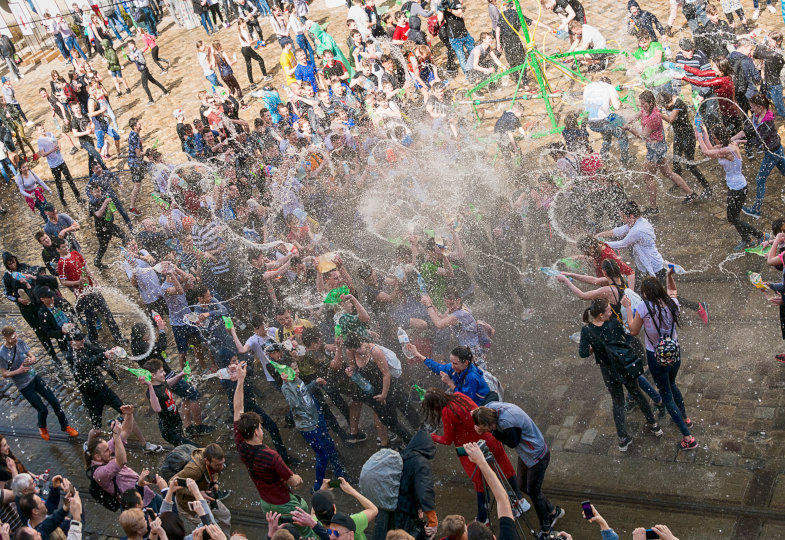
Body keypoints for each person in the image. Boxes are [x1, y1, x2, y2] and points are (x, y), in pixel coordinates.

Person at [421, 390, 526, 525]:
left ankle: (484, 517)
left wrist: (432, 437)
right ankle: (519, 500)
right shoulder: (459, 396)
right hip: (489, 438)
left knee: (480, 481)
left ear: (435, 406)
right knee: (505, 466)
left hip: (472, 448)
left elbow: (447, 440)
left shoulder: (447, 412)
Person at [232, 362, 312, 536]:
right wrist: (298, 478)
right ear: (255, 432)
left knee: (279, 534)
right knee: (305, 531)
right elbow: (293, 482)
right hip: (284, 504)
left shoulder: (241, 442)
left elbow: (238, 407)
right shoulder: (271, 456)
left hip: (266, 504)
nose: (262, 429)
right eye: (260, 427)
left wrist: (240, 380)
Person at [597, 201, 709, 325]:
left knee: (666, 296)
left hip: (654, 268)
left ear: (631, 216)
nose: (622, 219)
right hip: (642, 266)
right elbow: (618, 231)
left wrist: (601, 244)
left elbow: (622, 243)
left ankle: (698, 307)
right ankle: (643, 317)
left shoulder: (638, 229)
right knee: (638, 293)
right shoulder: (635, 223)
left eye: (623, 216)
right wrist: (599, 236)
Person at [623, 274, 698, 450]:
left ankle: (688, 437)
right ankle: (685, 417)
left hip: (656, 356)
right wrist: (670, 276)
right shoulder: (673, 303)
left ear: (646, 293)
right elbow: (673, 290)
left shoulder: (644, 307)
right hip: (674, 352)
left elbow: (633, 330)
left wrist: (627, 308)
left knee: (666, 394)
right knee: (672, 383)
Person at [577, 298, 663, 451]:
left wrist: (593, 347)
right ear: (602, 315)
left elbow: (583, 353)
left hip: (608, 371)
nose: (612, 312)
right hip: (624, 367)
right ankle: (653, 424)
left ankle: (623, 438)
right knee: (637, 394)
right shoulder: (614, 324)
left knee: (617, 402)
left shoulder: (587, 331)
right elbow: (626, 337)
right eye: (609, 310)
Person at [472, 402, 564, 537]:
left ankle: (546, 526)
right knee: (522, 486)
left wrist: (491, 432)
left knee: (533, 491)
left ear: (490, 424)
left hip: (537, 455)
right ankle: (552, 510)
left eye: (485, 428)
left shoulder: (507, 423)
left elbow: (512, 442)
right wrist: (475, 415)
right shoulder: (490, 408)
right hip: (526, 454)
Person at [279, 356, 347, 492]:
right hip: (308, 427)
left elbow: (305, 392)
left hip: (317, 418)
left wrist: (314, 383)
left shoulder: (297, 379)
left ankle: (342, 476)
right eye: (293, 370)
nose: (297, 371)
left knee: (330, 446)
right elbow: (296, 403)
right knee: (322, 455)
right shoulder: (286, 387)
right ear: (285, 374)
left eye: (297, 368)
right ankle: (317, 487)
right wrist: (289, 383)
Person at [0, 326, 77, 441]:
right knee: (42, 409)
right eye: (12, 338)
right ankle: (42, 427)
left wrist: (32, 359)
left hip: (35, 377)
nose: (15, 339)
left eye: (15, 336)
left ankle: (65, 426)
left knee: (55, 402)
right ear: (5, 338)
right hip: (24, 386)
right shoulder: (2, 353)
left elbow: (31, 355)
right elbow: (4, 373)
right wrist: (18, 371)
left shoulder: (20, 342)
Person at [623, 90, 696, 210]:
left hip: (655, 149)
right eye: (641, 104)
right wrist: (628, 121)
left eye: (644, 104)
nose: (642, 106)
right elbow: (638, 114)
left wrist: (629, 128)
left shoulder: (654, 117)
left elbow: (643, 135)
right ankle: (690, 193)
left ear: (651, 102)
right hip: (658, 147)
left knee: (648, 177)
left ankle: (653, 208)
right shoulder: (647, 110)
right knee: (668, 173)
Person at [695, 124, 764, 249]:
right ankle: (747, 239)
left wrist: (699, 137)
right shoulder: (724, 146)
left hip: (738, 188)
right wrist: (703, 132)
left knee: (732, 217)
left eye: (713, 136)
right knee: (734, 217)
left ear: (717, 137)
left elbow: (707, 152)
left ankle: (760, 235)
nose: (712, 138)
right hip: (735, 187)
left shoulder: (729, 149)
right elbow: (710, 149)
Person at [54, 237, 125, 344]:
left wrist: (94, 279)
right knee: (90, 318)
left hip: (92, 289)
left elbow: (85, 267)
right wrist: (77, 282)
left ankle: (118, 337)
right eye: (63, 247)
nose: (66, 248)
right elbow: (63, 282)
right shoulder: (61, 263)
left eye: (66, 245)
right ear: (58, 250)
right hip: (82, 294)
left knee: (107, 313)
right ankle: (94, 340)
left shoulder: (75, 253)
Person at [66, 331, 125, 429]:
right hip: (90, 393)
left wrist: (109, 350)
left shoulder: (84, 345)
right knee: (97, 428)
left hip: (101, 386)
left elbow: (96, 350)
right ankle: (89, 442)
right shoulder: (71, 356)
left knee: (124, 410)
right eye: (80, 340)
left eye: (83, 339)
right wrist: (104, 355)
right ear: (72, 342)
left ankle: (120, 425)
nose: (83, 341)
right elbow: (88, 362)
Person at [659, 91, 711, 200]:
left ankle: (707, 187)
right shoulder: (670, 103)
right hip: (678, 136)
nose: (665, 108)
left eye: (665, 106)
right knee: (676, 160)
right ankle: (678, 182)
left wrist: (658, 114)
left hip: (688, 136)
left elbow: (671, 119)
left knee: (690, 165)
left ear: (668, 101)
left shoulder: (678, 104)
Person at [739, 94, 785, 219]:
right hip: (777, 151)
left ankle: (756, 209)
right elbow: (747, 129)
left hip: (772, 153)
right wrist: (733, 137)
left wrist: (739, 142)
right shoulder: (756, 115)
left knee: (760, 179)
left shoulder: (768, 121)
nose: (751, 109)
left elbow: (758, 141)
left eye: (753, 107)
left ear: (760, 106)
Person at [173, 443, 232, 533]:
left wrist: (215, 482)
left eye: (222, 464)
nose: (221, 467)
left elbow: (215, 471)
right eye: (217, 465)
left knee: (225, 515)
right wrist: (198, 492)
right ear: (207, 461)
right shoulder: (193, 470)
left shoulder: (212, 454)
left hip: (206, 494)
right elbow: (173, 483)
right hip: (189, 503)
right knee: (207, 529)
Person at [583, 76, 630, 165]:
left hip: (591, 123)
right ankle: (625, 160)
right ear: (609, 83)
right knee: (622, 134)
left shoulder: (588, 87)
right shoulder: (609, 87)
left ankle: (604, 158)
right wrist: (620, 104)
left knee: (607, 135)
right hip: (603, 121)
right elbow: (616, 106)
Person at [36, 126, 83, 206]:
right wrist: (52, 150)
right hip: (53, 165)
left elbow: (56, 142)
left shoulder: (50, 134)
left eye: (43, 128)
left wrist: (59, 146)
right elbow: (43, 154)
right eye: (41, 129)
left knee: (70, 180)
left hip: (61, 161)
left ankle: (78, 197)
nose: (43, 130)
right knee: (59, 183)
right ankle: (62, 199)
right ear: (38, 132)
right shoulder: (40, 141)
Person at [125, 40, 169, 104]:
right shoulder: (132, 52)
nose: (129, 47)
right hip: (143, 70)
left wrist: (136, 59)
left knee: (145, 86)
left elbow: (143, 62)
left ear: (133, 45)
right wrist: (129, 58)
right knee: (154, 81)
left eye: (130, 45)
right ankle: (165, 91)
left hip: (144, 71)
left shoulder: (138, 52)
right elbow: (132, 60)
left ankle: (151, 100)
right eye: (128, 46)